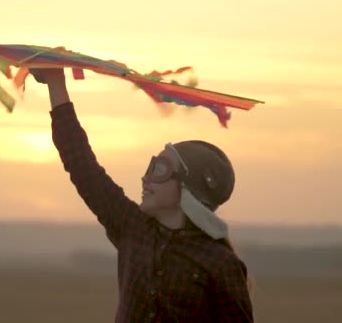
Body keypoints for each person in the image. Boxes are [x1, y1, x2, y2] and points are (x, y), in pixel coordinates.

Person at [31, 68, 253, 322]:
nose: (145, 178)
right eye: (151, 166)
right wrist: (55, 82)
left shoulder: (220, 264)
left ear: (188, 191)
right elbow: (82, 165)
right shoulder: (133, 228)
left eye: (159, 169)